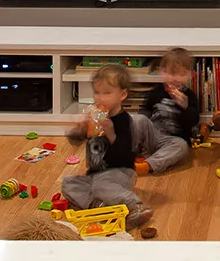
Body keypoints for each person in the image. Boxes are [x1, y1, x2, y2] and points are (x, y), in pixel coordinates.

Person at [61, 64, 159, 228]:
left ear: (122, 95)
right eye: (97, 92)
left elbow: (126, 155)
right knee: (69, 184)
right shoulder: (94, 117)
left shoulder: (124, 121)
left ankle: (135, 206)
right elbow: (75, 141)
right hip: (95, 173)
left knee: (102, 187)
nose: (100, 98)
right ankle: (100, 207)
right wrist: (79, 129)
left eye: (107, 93)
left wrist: (111, 133)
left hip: (120, 172)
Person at [139, 48, 201, 174]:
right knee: (137, 119)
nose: (176, 79)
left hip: (171, 140)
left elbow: (193, 122)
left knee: (181, 146)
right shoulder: (157, 91)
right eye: (172, 74)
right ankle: (121, 153)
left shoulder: (190, 97)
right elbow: (146, 110)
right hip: (151, 135)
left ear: (190, 75)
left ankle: (148, 165)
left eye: (182, 74)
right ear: (163, 73)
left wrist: (186, 107)